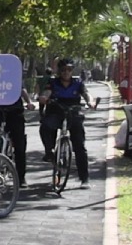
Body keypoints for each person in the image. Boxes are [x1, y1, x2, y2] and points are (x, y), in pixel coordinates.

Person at [38, 58, 97, 186]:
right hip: (56, 112)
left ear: (72, 71)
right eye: (63, 70)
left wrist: (90, 102)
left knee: (79, 146)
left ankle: (84, 178)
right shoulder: (53, 82)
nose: (66, 72)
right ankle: (50, 152)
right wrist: (44, 98)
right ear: (59, 71)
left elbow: (86, 94)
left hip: (73, 113)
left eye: (69, 70)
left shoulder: (78, 82)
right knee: (45, 127)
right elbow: (47, 92)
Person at [0, 89, 35, 186]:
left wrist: (29, 102)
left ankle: (21, 177)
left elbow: (22, 89)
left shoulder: (14, 76)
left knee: (20, 146)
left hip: (15, 112)